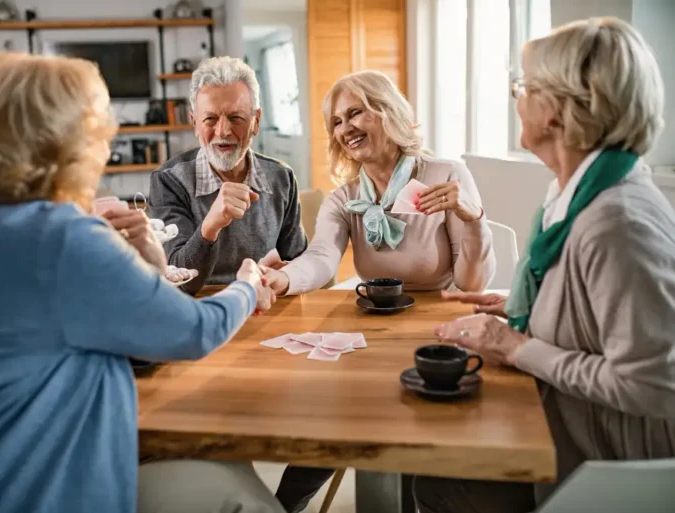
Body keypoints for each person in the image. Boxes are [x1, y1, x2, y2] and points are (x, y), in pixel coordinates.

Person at [0, 52, 283, 513]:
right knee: (243, 495)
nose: (103, 146)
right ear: (60, 142)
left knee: (228, 466)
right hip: (26, 493)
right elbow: (195, 330)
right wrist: (246, 284)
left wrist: (142, 261)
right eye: (97, 131)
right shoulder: (58, 235)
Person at [413, 17, 675, 513]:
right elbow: (594, 313)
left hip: (608, 467)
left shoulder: (617, 221)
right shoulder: (571, 191)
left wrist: (517, 346)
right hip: (567, 429)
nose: (517, 98)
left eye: (523, 87)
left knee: (437, 483)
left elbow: (651, 386)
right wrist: (519, 307)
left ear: (555, 110)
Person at [264, 70, 496, 513]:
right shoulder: (344, 198)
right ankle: (279, 507)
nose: (345, 127)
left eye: (356, 113)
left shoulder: (446, 174)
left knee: (411, 428)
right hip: (374, 330)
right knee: (335, 413)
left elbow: (472, 285)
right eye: (336, 121)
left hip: (438, 331)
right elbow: (321, 260)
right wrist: (284, 278)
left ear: (388, 113)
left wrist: (473, 216)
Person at [148, 56, 308, 295]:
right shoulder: (169, 180)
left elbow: (299, 265)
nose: (223, 131)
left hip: (264, 305)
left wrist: (287, 274)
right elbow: (180, 284)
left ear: (255, 121)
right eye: (210, 119)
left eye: (236, 118)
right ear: (194, 122)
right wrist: (211, 226)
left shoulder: (281, 177)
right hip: (201, 310)